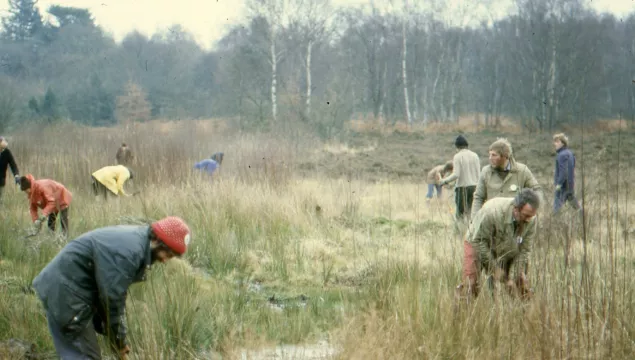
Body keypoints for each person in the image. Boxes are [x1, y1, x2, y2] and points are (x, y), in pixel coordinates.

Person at [32, 216, 192, 360]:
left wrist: (113, 338)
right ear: (158, 241)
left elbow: (104, 294)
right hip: (66, 293)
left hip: (65, 288)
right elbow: (112, 301)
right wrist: (119, 342)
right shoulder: (129, 253)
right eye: (168, 255)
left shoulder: (138, 242)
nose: (165, 261)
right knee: (84, 356)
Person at [458, 188, 540, 300]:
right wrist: (495, 270)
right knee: (470, 284)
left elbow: (524, 251)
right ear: (516, 209)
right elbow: (479, 242)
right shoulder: (492, 212)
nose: (528, 220)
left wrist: (512, 277)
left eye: (531, 216)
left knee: (521, 283)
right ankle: (462, 311)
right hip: (477, 241)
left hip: (506, 244)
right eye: (526, 216)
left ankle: (526, 313)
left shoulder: (531, 219)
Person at [471, 138, 542, 218]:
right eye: (489, 155)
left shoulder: (522, 171)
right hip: (492, 220)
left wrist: (531, 211)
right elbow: (478, 197)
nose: (490, 158)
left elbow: (537, 190)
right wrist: (474, 219)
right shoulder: (486, 172)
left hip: (515, 221)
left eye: (494, 155)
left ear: (505, 156)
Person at [439, 135, 481, 221]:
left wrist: (444, 181)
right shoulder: (475, 155)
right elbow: (479, 173)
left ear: (457, 146)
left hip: (462, 188)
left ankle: (460, 231)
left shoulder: (457, 156)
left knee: (460, 214)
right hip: (475, 187)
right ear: (467, 145)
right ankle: (471, 230)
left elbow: (456, 174)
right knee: (472, 212)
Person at [553, 133, 581, 214]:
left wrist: (559, 184)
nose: (555, 143)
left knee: (557, 207)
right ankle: (582, 217)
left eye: (557, 141)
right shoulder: (570, 153)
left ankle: (555, 223)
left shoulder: (561, 155)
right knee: (575, 204)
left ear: (562, 143)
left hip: (563, 186)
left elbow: (563, 171)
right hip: (570, 184)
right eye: (555, 141)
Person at [0, 136, 20, 202]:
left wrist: (16, 175)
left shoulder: (7, 152)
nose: (5, 143)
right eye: (3, 141)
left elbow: (13, 165)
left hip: (1, 180)